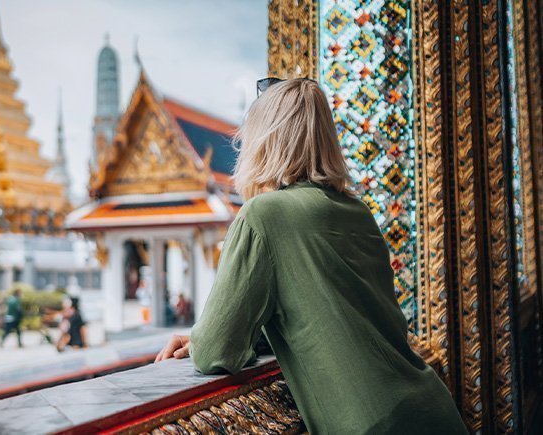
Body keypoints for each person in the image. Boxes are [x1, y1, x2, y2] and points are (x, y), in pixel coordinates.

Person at [155, 78, 466, 434]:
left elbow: (214, 352)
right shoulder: (357, 211)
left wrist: (200, 337)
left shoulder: (263, 216)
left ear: (264, 141)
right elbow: (324, 311)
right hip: (433, 409)